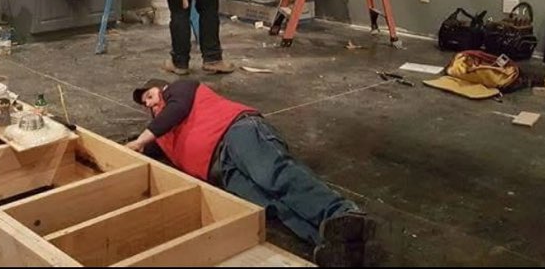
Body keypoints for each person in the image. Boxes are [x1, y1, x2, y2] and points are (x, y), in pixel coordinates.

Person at [126, 78, 374, 266]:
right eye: (145, 104)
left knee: (274, 175)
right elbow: (136, 149)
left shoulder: (179, 90)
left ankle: (343, 212)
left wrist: (140, 140)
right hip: (223, 171)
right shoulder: (162, 136)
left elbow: (173, 112)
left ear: (162, 87)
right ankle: (338, 243)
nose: (149, 103)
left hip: (236, 134)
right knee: (272, 206)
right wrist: (130, 146)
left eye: (149, 95)